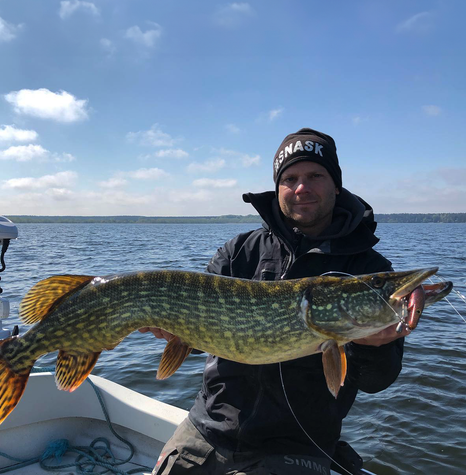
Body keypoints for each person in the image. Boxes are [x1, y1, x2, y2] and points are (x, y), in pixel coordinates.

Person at [141, 128, 411, 475]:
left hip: (296, 446)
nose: (302, 188)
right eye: (290, 178)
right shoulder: (239, 251)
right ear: (278, 187)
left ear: (336, 185)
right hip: (208, 429)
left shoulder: (368, 270)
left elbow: (377, 381)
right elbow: (200, 340)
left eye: (315, 175)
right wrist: (175, 330)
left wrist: (374, 346)